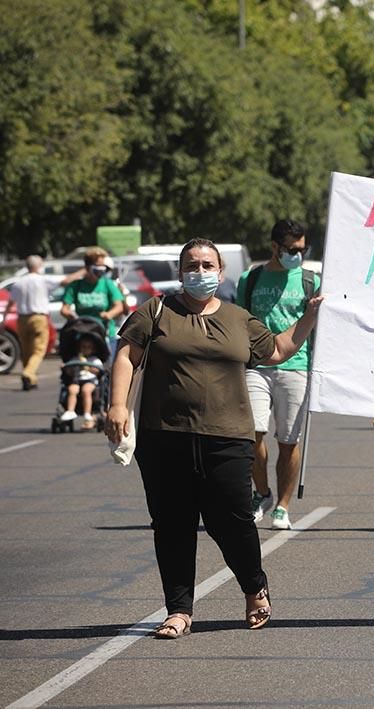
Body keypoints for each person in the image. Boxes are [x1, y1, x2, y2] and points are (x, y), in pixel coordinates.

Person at [105, 238, 322, 639]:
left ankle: (254, 584)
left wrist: (310, 316)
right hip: (164, 437)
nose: (199, 271)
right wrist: (118, 405)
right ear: (180, 270)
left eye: (207, 265)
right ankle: (178, 610)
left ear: (221, 273)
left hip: (227, 439)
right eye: (192, 264)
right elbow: (126, 355)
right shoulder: (155, 311)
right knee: (172, 525)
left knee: (233, 522)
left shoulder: (240, 319)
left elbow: (277, 350)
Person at [238, 219, 320, 531]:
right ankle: (263, 493)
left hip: (296, 366)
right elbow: (240, 320)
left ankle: (283, 506)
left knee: (288, 441)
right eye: (291, 249)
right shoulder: (252, 277)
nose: (297, 254)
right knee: (251, 434)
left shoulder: (312, 280)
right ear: (274, 247)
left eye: (303, 249)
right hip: (257, 365)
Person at [61, 247, 125, 359]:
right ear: (88, 268)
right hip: (82, 333)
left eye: (103, 270)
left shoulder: (107, 284)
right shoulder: (76, 285)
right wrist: (70, 314)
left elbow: (119, 307)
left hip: (104, 333)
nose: (100, 274)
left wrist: (109, 314)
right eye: (97, 270)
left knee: (109, 367)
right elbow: (64, 309)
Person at [4, 255, 51, 390]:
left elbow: (10, 303)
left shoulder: (19, 282)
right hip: (38, 318)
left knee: (27, 351)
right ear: (38, 266)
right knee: (38, 351)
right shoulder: (42, 280)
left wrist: (4, 319)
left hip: (22, 319)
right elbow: (64, 281)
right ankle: (28, 373)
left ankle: (30, 381)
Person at [60, 337, 104, 429]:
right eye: (83, 347)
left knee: (86, 390)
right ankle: (70, 410)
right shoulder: (75, 359)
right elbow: (69, 370)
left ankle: (87, 413)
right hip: (77, 379)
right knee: (72, 389)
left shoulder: (94, 360)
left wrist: (88, 368)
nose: (86, 349)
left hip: (90, 380)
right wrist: (65, 368)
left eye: (88, 347)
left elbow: (99, 371)